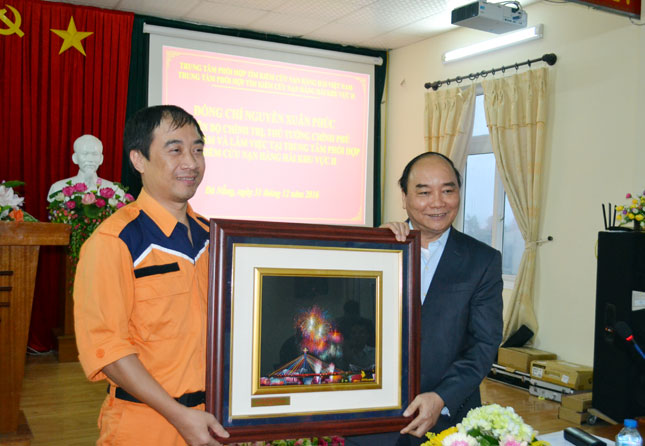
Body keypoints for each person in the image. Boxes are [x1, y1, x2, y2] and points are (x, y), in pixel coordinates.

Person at [73, 105, 230, 446]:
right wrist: (179, 416)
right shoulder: (114, 241)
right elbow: (110, 352)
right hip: (146, 424)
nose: (191, 162)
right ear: (139, 160)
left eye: (198, 149)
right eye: (175, 150)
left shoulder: (215, 238)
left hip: (211, 422)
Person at [347, 152, 503, 446]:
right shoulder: (371, 248)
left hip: (446, 420)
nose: (438, 202)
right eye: (424, 192)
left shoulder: (482, 261)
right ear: (404, 196)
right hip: (369, 421)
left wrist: (442, 398)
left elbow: (484, 343)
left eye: (448, 190)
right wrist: (373, 252)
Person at [47, 134, 126, 200]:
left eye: (95, 154)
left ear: (101, 159)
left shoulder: (116, 190)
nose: (90, 159)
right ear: (75, 158)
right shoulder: (58, 188)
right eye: (85, 154)